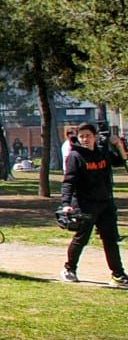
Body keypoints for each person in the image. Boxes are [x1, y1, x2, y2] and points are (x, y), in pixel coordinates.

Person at [58, 122, 128, 287]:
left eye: (88, 136)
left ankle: (118, 275)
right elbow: (68, 182)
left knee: (110, 239)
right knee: (81, 238)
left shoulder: (102, 152)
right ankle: (69, 269)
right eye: (82, 136)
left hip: (105, 203)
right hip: (85, 205)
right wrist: (66, 204)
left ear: (95, 137)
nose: (85, 139)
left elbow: (120, 161)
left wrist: (118, 144)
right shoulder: (75, 156)